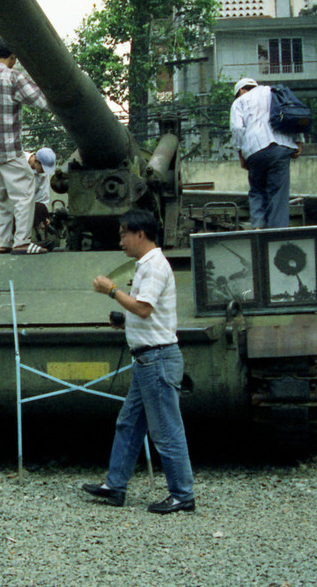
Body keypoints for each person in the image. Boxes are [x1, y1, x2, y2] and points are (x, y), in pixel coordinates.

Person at [82, 209, 195, 514]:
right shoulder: (147, 265)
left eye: (123, 234)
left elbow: (144, 309)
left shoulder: (155, 266)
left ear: (140, 234)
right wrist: (125, 322)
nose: (121, 241)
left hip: (156, 359)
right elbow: (147, 314)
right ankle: (115, 485)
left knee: (166, 429)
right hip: (148, 359)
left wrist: (113, 290)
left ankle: (182, 494)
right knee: (129, 424)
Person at [0, 38, 51, 254]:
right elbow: (41, 100)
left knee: (0, 197)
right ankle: (22, 242)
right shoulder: (13, 77)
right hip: (8, 148)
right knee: (26, 190)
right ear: (13, 57)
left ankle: (2, 243)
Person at [229, 78, 302, 229]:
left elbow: (237, 128)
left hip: (254, 150)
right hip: (280, 148)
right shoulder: (274, 92)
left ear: (241, 91)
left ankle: (258, 226)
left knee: (256, 190)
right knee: (278, 194)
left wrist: (241, 154)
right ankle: (278, 232)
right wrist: (299, 141)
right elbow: (294, 113)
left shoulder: (239, 101)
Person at [27, 147, 57, 244]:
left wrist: (43, 216)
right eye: (43, 168)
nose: (45, 172)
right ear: (36, 161)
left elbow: (42, 197)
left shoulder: (43, 174)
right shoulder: (19, 162)